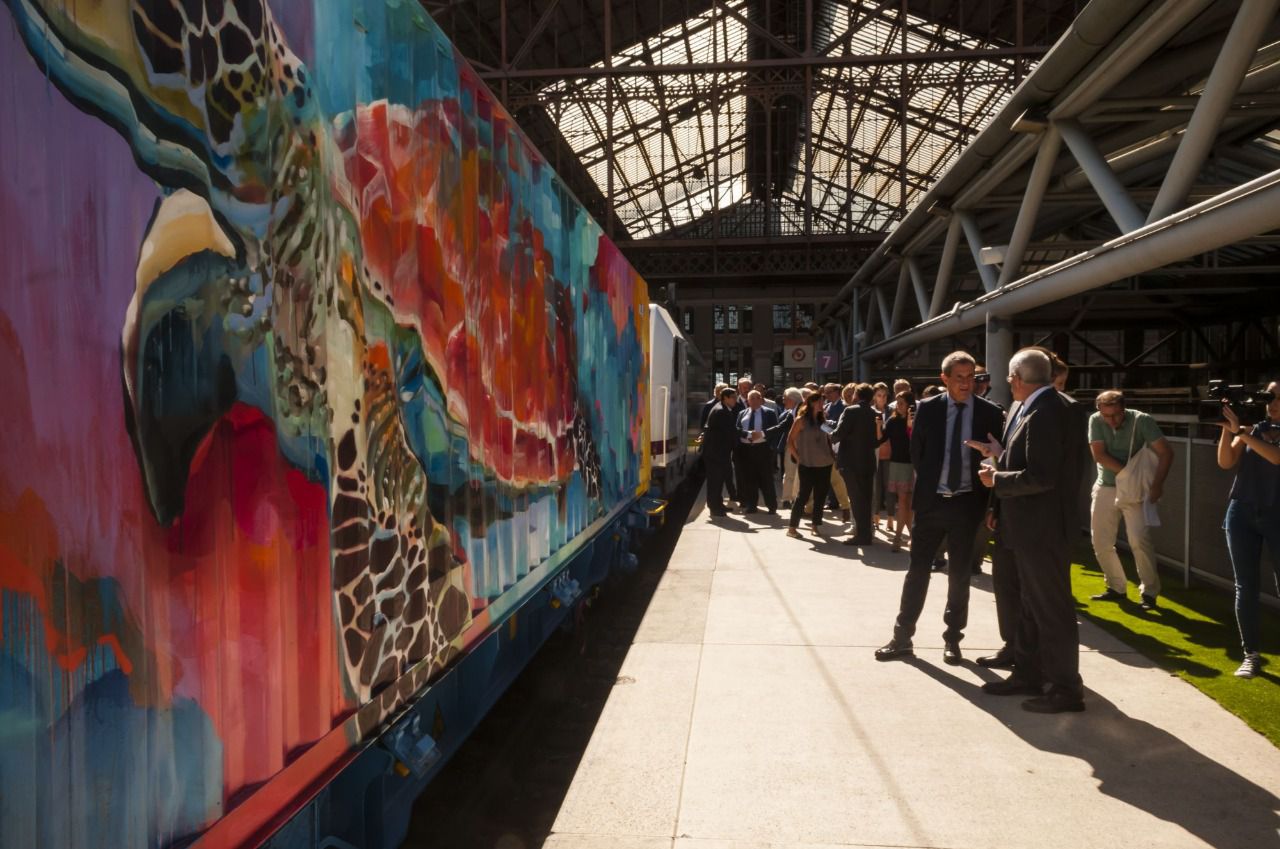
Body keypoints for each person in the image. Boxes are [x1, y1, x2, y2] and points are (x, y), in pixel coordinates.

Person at [875, 352, 1003, 665]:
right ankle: (902, 637)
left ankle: (953, 639)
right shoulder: (928, 409)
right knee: (917, 572)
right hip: (931, 503)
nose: (966, 383)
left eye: (970, 377)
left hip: (967, 505)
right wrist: (933, 485)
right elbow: (918, 453)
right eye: (959, 377)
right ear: (944, 379)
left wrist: (990, 503)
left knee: (959, 576)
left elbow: (996, 459)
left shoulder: (989, 413)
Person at [980, 348, 1084, 713]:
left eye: (1009, 377)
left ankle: (1065, 688)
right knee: (1028, 605)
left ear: (1019, 378)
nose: (1007, 382)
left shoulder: (1049, 411)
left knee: (1050, 609)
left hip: (1044, 529)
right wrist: (998, 500)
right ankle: (1028, 673)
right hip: (1024, 525)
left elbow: (1042, 475)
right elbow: (1017, 457)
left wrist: (996, 479)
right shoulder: (1031, 407)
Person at [1087, 390, 1174, 610]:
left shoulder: (1141, 420)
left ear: (1124, 409)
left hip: (1134, 489)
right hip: (1106, 485)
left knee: (1139, 540)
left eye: (1116, 415)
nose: (1112, 421)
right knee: (1100, 541)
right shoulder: (1096, 420)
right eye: (1106, 415)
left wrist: (1157, 484)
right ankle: (1116, 587)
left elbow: (1166, 452)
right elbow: (1099, 455)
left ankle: (1150, 592)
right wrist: (1128, 473)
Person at [1216, 388, 1280, 678]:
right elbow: (1226, 462)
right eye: (1270, 397)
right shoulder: (1253, 428)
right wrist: (1229, 431)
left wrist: (1242, 432)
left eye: (1279, 397)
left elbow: (1276, 458)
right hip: (1241, 512)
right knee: (1246, 587)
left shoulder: (1252, 432)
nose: (1274, 404)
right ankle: (1251, 655)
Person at [833, 383, 880, 545]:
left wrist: (828, 431)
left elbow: (838, 434)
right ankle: (866, 534)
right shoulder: (875, 413)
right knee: (866, 499)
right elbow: (877, 440)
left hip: (850, 463)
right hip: (867, 462)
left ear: (857, 396)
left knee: (856, 499)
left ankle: (862, 535)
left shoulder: (850, 411)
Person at [786, 396, 836, 538]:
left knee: (820, 496)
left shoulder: (823, 421)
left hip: (825, 464)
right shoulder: (801, 420)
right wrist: (798, 458)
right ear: (811, 403)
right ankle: (792, 527)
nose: (822, 404)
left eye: (823, 401)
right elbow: (790, 441)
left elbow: (831, 438)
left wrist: (833, 456)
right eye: (819, 401)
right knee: (803, 496)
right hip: (807, 464)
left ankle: (815, 525)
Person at [879, 390, 915, 551]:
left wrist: (910, 426)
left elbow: (919, 442)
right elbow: (880, 439)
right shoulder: (893, 421)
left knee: (908, 503)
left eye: (902, 403)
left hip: (913, 465)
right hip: (897, 464)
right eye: (897, 402)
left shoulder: (916, 420)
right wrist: (878, 426)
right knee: (902, 503)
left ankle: (904, 538)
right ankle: (900, 537)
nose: (898, 405)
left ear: (909, 405)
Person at [736, 390, 779, 514]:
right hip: (745, 450)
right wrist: (747, 436)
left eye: (756, 398)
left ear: (761, 399)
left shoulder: (769, 413)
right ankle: (751, 505)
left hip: (763, 449)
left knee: (766, 479)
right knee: (749, 479)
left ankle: (771, 505)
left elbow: (774, 430)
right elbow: (737, 429)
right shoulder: (742, 413)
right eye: (751, 398)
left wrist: (765, 441)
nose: (754, 401)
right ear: (748, 401)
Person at [701, 387, 740, 517]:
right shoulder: (721, 411)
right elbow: (730, 431)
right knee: (715, 481)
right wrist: (748, 434)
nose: (736, 400)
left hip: (719, 452)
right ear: (725, 398)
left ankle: (718, 504)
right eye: (733, 397)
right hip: (715, 453)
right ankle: (714, 508)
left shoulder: (723, 408)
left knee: (719, 480)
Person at [775, 387, 803, 508]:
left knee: (799, 474)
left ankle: (796, 499)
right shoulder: (789, 412)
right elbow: (781, 426)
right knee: (789, 473)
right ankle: (787, 499)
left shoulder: (802, 411)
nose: (783, 402)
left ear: (793, 400)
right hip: (790, 446)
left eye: (785, 399)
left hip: (802, 447)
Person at [872, 382, 892, 530]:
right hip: (875, 453)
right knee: (876, 487)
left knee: (889, 487)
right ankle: (876, 516)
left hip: (891, 453)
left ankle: (891, 518)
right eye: (879, 395)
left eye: (884, 395)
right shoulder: (870, 411)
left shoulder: (893, 410)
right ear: (874, 396)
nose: (882, 398)